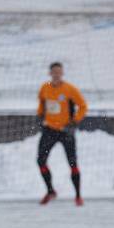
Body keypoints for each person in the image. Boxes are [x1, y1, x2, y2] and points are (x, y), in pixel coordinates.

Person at [36, 62, 88, 205]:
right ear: (50, 73)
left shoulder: (70, 89)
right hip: (49, 131)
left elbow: (83, 106)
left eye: (59, 71)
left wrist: (75, 121)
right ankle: (50, 191)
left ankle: (78, 195)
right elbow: (41, 103)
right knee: (41, 161)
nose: (56, 74)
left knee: (72, 163)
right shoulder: (44, 88)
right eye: (54, 71)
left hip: (66, 131)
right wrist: (40, 117)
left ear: (62, 73)